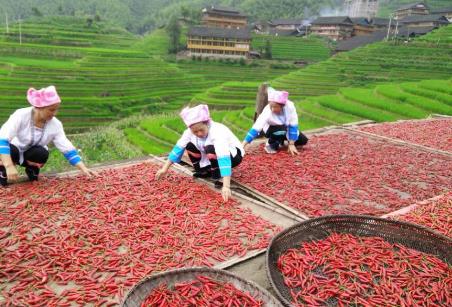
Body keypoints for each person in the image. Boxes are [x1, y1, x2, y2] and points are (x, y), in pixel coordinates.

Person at [0, 86, 96, 186]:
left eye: (56, 110)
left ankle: (32, 168)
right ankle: (2, 170)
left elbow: (65, 147)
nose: (54, 113)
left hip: (31, 154)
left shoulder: (55, 124)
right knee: (9, 151)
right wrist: (9, 166)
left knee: (41, 153)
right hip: (14, 150)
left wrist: (83, 168)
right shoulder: (21, 115)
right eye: (51, 110)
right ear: (38, 107)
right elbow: (2, 138)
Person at [155, 104, 244, 202]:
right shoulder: (188, 132)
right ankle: (204, 171)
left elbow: (223, 157)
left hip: (233, 156)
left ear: (207, 123)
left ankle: (217, 175)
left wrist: (226, 186)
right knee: (189, 145)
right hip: (211, 154)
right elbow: (178, 149)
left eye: (201, 130)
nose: (199, 134)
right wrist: (164, 169)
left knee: (210, 149)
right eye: (195, 132)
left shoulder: (217, 131)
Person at [242, 87, 308, 155]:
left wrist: (291, 144)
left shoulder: (290, 107)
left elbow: (293, 125)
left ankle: (280, 140)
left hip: (284, 129)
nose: (273, 109)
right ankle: (271, 142)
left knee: (303, 140)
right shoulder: (267, 110)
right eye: (271, 106)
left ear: (282, 106)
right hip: (271, 129)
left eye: (276, 107)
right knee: (280, 130)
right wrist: (244, 144)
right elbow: (257, 127)